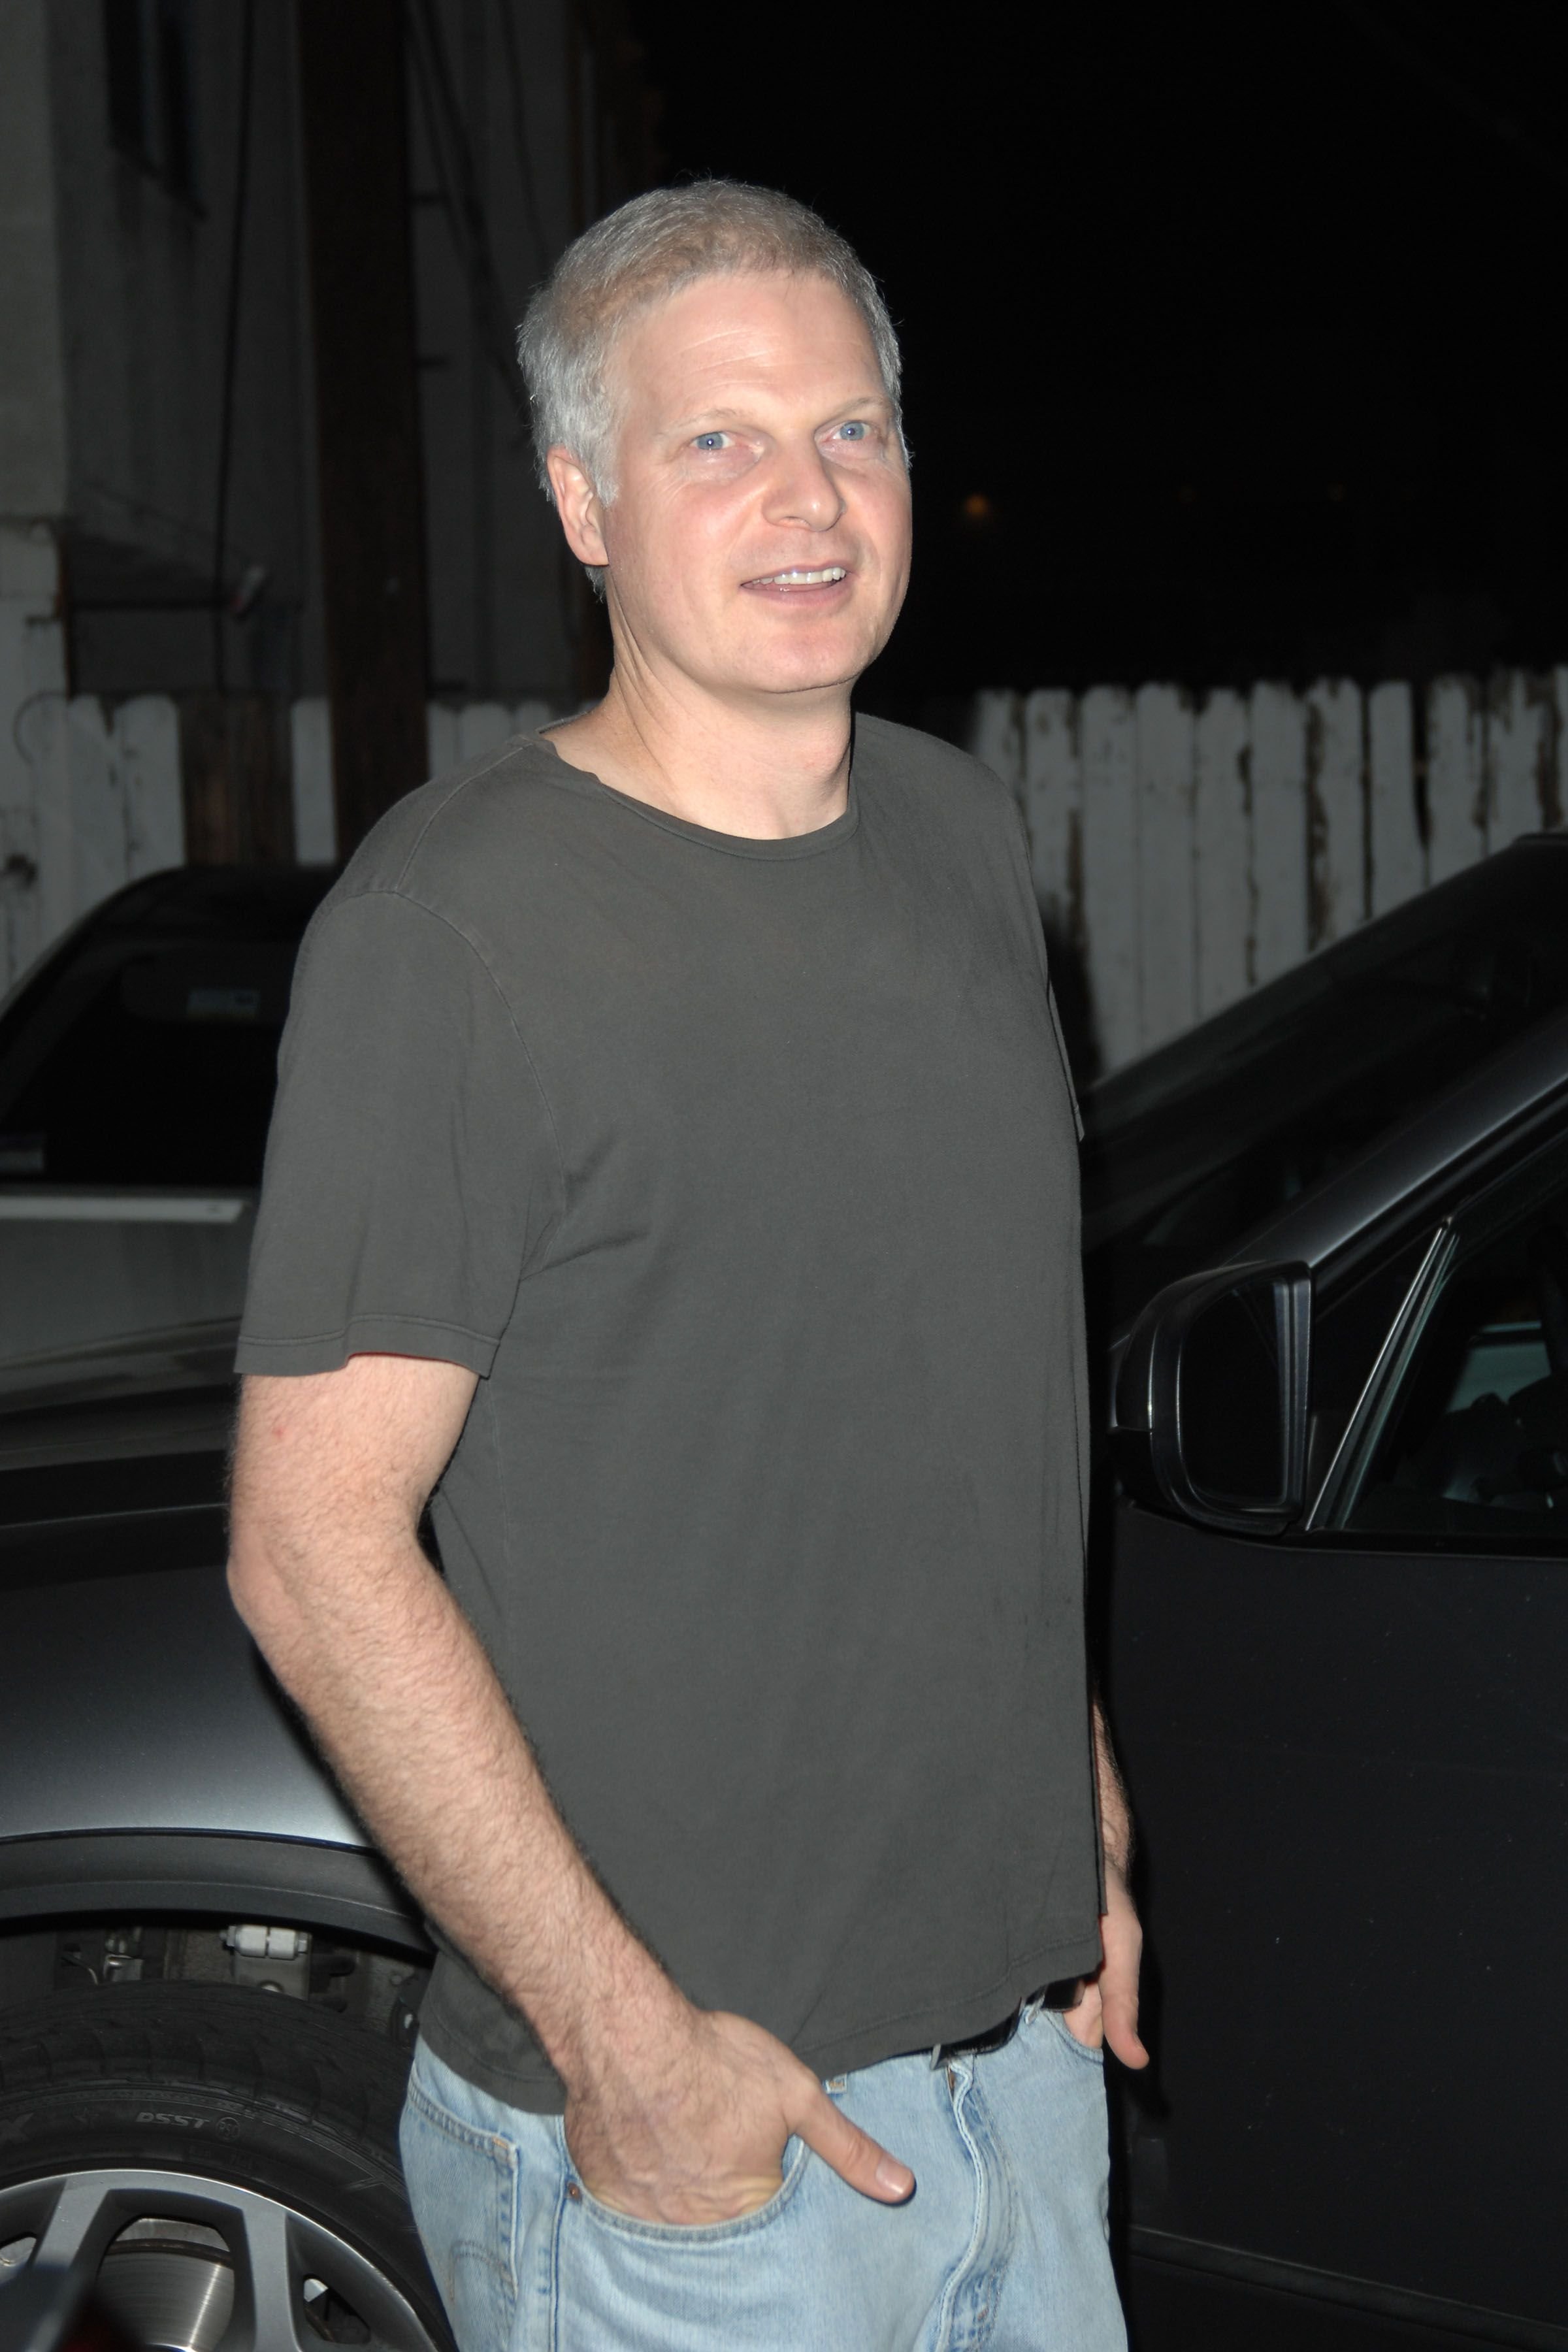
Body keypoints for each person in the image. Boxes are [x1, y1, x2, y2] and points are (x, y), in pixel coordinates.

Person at [227, 179, 1146, 2352]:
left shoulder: (964, 841)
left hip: (1022, 2082)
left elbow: (962, 1392)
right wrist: (626, 2047)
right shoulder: (451, 937)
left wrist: (1077, 1818)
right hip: (695, 2171)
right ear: (580, 502)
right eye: (714, 443)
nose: (808, 499)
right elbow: (312, 1547)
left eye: (852, 430)